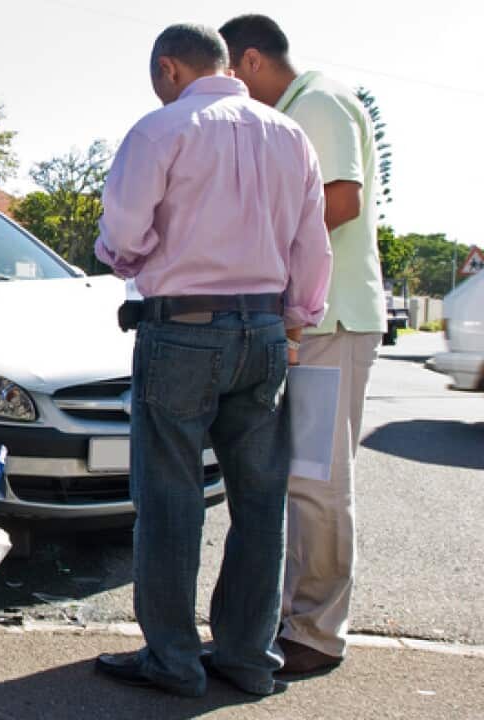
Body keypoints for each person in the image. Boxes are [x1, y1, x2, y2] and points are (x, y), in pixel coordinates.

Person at [91, 23, 332, 697]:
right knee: (259, 503)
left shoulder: (162, 130)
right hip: (263, 333)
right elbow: (313, 247)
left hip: (183, 331)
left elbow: (124, 236)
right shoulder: (288, 135)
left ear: (170, 69)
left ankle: (172, 660)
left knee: (171, 501)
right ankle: (248, 659)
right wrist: (293, 321)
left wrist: (124, 257)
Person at [220, 14, 387, 676]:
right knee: (300, 480)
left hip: (333, 322)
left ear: (252, 61)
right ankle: (293, 620)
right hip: (308, 324)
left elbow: (341, 200)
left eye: (228, 74)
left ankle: (316, 634)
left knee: (317, 482)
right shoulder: (292, 109)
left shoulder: (316, 103)